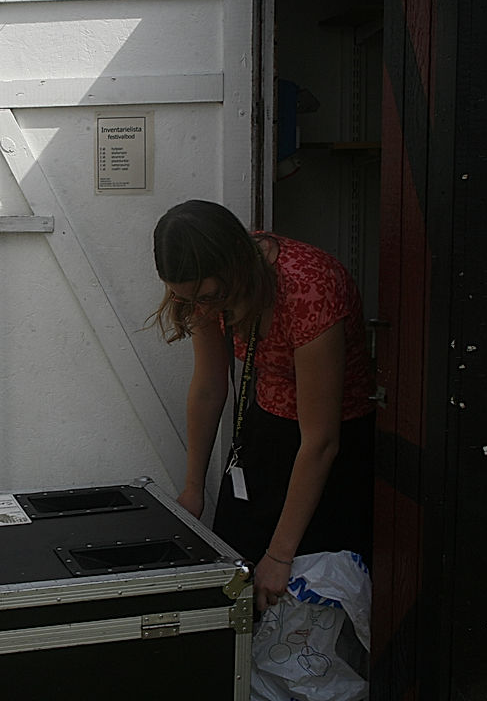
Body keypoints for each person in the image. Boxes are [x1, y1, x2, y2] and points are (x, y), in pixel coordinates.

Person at [151, 199, 374, 613]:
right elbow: (209, 387)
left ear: (237, 263)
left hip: (330, 447)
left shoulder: (309, 286)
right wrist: (193, 489)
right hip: (263, 428)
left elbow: (321, 441)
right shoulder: (206, 289)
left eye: (210, 297)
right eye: (189, 300)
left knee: (304, 592)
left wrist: (280, 555)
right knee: (238, 576)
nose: (205, 309)